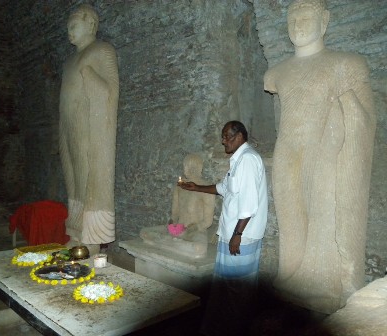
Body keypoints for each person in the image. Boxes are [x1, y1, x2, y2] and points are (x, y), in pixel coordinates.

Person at [264, 0, 376, 314]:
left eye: (306, 17)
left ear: (323, 21)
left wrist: (345, 107)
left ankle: (325, 284)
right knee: (290, 217)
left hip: (324, 151)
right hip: (287, 150)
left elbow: (364, 118)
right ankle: (291, 275)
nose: (298, 24)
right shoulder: (278, 72)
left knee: (323, 216)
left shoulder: (345, 64)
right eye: (293, 18)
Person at [179, 121, 268, 335]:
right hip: (233, 235)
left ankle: (237, 326)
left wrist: (237, 235)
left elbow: (249, 205)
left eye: (227, 136)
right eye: (223, 136)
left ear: (239, 136)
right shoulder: (238, 161)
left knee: (238, 288)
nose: (223, 140)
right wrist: (196, 187)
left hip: (241, 238)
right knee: (230, 286)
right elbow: (223, 188)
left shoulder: (247, 161)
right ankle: (228, 324)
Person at [59, 4, 119, 250]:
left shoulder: (102, 50)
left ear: (90, 24)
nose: (69, 32)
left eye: (73, 26)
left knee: (88, 177)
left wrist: (89, 75)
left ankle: (91, 237)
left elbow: (111, 90)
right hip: (70, 126)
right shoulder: (68, 61)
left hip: (89, 126)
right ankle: (75, 232)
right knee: (73, 178)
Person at [139, 153, 216, 259]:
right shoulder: (180, 187)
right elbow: (175, 214)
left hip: (194, 232)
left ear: (191, 167)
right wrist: (172, 222)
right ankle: (174, 241)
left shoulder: (205, 189)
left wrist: (192, 228)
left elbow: (208, 222)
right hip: (178, 228)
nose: (184, 169)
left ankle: (172, 242)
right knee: (145, 232)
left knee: (199, 248)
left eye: (185, 166)